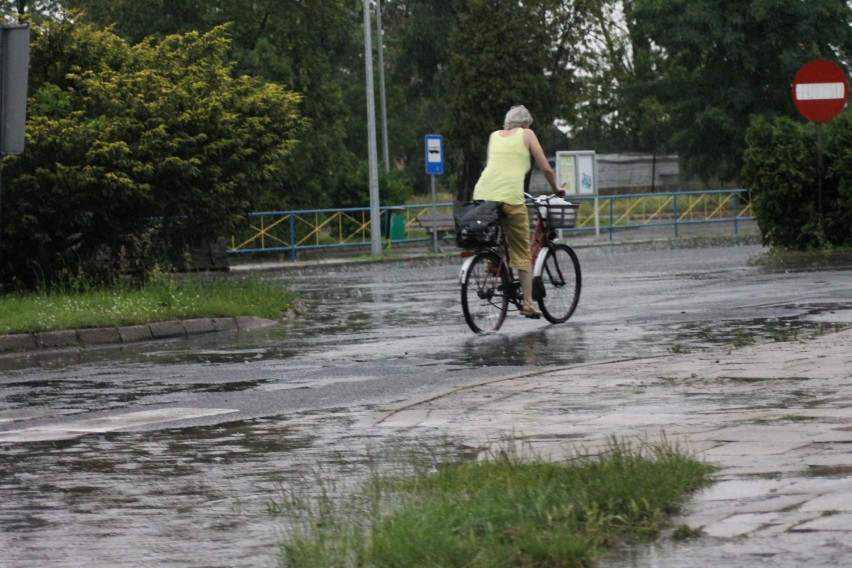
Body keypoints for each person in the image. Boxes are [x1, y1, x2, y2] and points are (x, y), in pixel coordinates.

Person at [472, 105, 560, 318]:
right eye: (528, 125)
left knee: (495, 235)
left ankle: (492, 263)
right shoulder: (527, 134)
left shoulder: (494, 136)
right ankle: (528, 304)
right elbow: (545, 168)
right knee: (522, 252)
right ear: (525, 124)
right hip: (511, 196)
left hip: (483, 193)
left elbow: (496, 165)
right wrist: (556, 189)